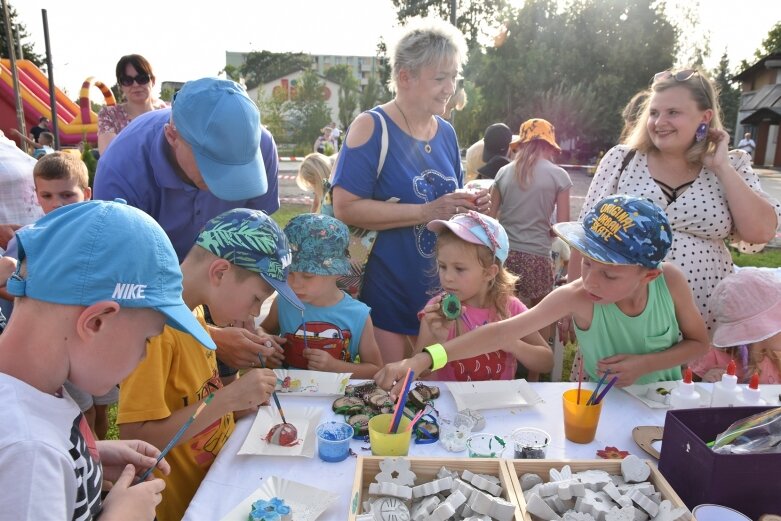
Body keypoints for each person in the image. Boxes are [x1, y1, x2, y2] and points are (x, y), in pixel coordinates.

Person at [0, 198, 216, 520]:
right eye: (147, 340)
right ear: (97, 321)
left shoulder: (39, 392)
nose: (145, 356)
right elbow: (31, 459)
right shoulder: (29, 451)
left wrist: (92, 456)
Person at [376, 195, 710, 391]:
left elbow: (699, 342)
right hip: (600, 404)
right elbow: (500, 332)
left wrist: (647, 364)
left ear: (649, 275)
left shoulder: (671, 282)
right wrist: (421, 359)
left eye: (608, 273)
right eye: (587, 264)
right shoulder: (575, 296)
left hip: (664, 400)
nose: (590, 281)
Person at [118, 208, 299, 521]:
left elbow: (196, 399)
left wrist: (239, 402)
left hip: (211, 484)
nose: (255, 313)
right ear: (219, 272)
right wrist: (227, 398)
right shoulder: (157, 329)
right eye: (256, 298)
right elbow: (137, 438)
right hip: (180, 507)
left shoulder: (194, 314)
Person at [93, 77, 282, 373]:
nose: (228, 183)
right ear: (172, 136)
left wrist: (242, 310)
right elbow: (126, 286)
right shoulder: (122, 170)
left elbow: (257, 246)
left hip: (222, 281)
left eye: (239, 168)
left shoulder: (261, 146)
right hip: (151, 292)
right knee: (166, 381)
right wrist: (210, 336)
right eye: (214, 164)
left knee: (220, 385)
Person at [572, 68, 781, 335]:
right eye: (654, 112)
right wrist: (575, 301)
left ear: (705, 117)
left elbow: (760, 232)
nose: (659, 122)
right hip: (622, 310)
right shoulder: (622, 159)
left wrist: (722, 168)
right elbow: (585, 237)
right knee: (619, 376)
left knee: (695, 374)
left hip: (704, 309)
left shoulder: (733, 163)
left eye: (673, 112)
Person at [331, 18, 489, 364]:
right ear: (405, 77)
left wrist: (471, 207)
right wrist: (424, 211)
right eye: (439, 77)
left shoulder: (446, 133)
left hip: (443, 299)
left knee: (437, 399)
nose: (451, 87)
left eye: (454, 76)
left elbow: (447, 211)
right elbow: (344, 206)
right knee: (396, 395)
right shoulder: (372, 127)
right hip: (388, 297)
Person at [416, 212, 552, 381]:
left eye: (459, 269)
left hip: (499, 405)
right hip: (450, 405)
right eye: (443, 266)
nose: (448, 277)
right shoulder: (436, 312)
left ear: (489, 272)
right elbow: (418, 374)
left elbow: (546, 362)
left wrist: (512, 343)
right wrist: (437, 338)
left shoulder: (510, 308)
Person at [260, 213, 383, 378]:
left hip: (333, 401)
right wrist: (266, 344)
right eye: (289, 273)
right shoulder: (284, 302)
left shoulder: (358, 315)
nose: (295, 284)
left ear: (337, 272)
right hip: (286, 397)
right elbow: (263, 330)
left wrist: (335, 367)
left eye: (308, 275)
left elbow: (375, 369)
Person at [490, 118, 572, 319]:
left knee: (504, 314)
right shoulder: (559, 175)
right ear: (550, 147)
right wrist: (548, 229)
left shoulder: (503, 172)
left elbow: (490, 218)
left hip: (504, 254)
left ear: (521, 144)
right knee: (539, 317)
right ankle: (539, 349)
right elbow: (563, 226)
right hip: (537, 256)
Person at [691, 268, 781, 384]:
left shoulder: (774, 359)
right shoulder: (713, 357)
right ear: (758, 328)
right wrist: (706, 381)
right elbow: (685, 389)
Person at [98, 54, 167, 155]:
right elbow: (109, 155)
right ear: (120, 86)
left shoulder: (166, 113)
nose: (135, 85)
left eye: (142, 78)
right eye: (127, 80)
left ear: (153, 81)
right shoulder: (109, 115)